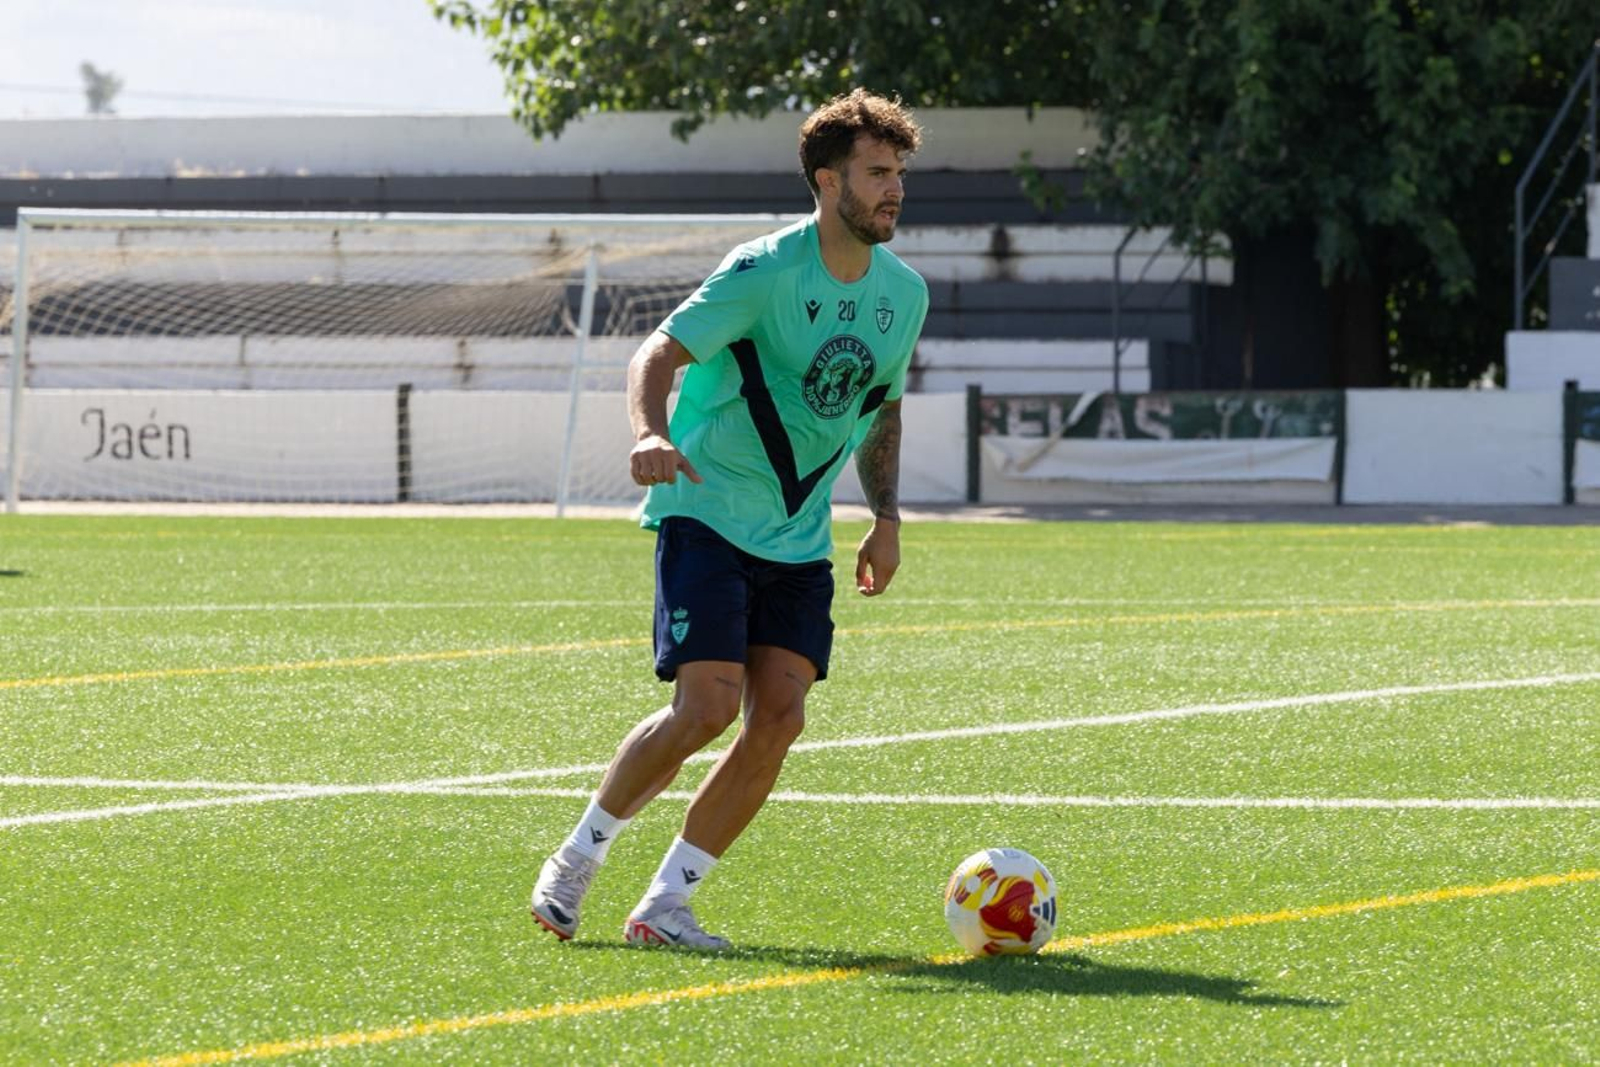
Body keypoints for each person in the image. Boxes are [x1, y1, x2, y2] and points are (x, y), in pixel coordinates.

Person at [531, 88, 928, 951]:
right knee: (704, 707)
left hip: (796, 531)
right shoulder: (764, 269)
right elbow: (658, 352)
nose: (894, 190)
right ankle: (577, 858)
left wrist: (886, 516)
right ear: (829, 183)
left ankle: (666, 903)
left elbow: (882, 408)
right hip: (706, 505)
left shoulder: (906, 294)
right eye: (877, 173)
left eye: (899, 173)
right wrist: (648, 431)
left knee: (780, 716)